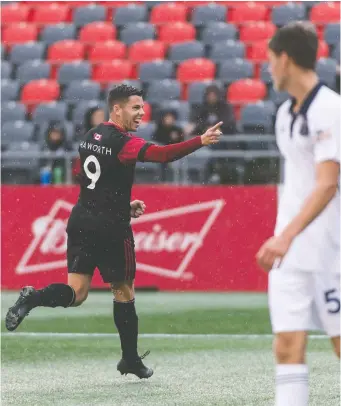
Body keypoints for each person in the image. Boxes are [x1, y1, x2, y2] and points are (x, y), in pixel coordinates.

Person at [5, 84, 223, 379]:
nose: (141, 113)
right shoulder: (123, 143)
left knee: (77, 292)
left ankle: (34, 297)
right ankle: (130, 360)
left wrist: (122, 202)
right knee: (123, 290)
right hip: (110, 227)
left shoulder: (89, 137)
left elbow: (87, 178)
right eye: (135, 108)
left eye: (142, 108)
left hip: (82, 219)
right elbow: (162, 155)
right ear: (116, 109)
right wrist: (200, 140)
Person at [256, 22, 340, 406]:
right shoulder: (284, 114)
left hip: (330, 251)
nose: (269, 68)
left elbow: (327, 184)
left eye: (271, 60)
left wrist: (285, 235)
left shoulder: (330, 109)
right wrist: (286, 238)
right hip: (290, 256)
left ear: (285, 59)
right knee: (287, 346)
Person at [152, 110, 184, 181]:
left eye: (171, 118)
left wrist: (176, 138)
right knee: (162, 161)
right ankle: (162, 180)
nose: (169, 120)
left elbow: (182, 141)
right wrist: (169, 138)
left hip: (175, 153)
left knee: (176, 163)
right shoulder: (160, 128)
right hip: (162, 152)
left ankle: (177, 181)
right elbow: (156, 139)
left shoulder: (177, 129)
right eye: (167, 118)